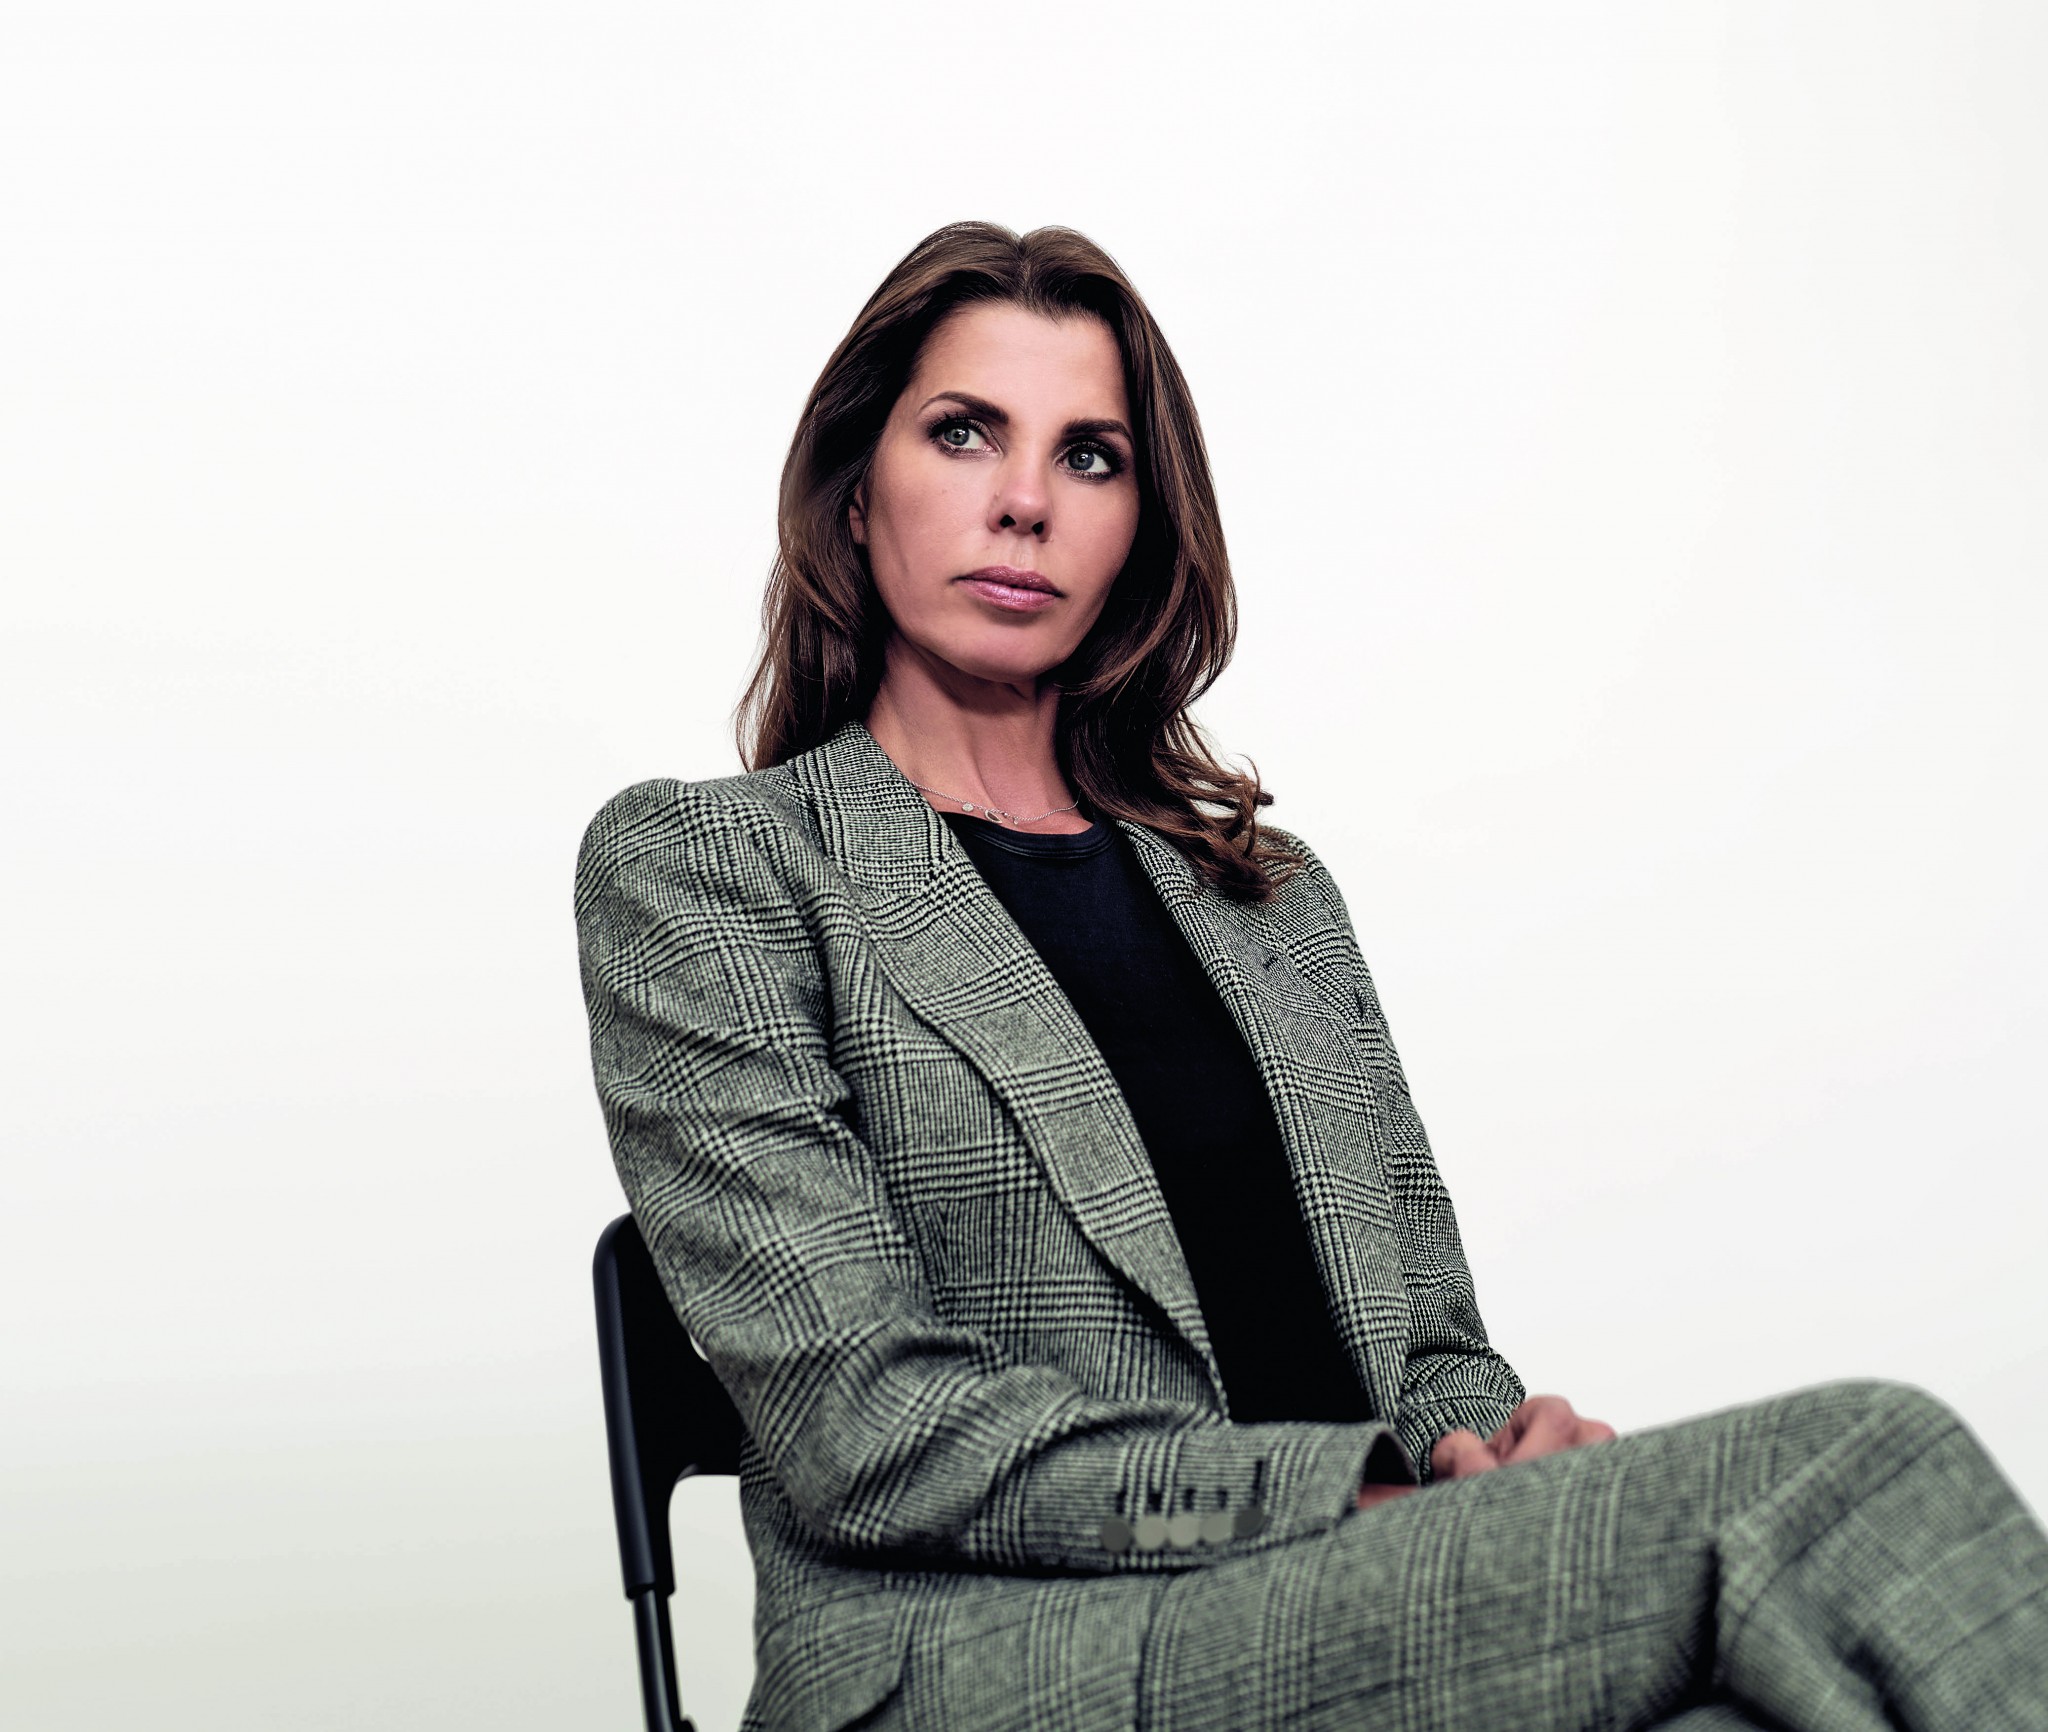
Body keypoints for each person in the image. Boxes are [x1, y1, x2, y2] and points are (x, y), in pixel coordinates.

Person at [575, 222, 2048, 1732]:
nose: (1024, 502)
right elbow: (865, 1426)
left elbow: (1430, 1349)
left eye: (1090, 457)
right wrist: (1344, 1499)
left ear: (1142, 526)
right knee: (1859, 1472)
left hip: (1351, 1612)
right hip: (982, 1658)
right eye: (965, 434)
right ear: (854, 485)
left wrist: (1496, 1457)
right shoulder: (711, 869)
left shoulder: (1267, 900)